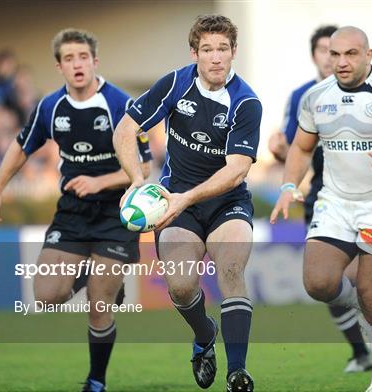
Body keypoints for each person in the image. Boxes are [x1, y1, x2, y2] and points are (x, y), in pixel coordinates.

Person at [270, 26, 372, 392]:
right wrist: (288, 185)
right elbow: (300, 148)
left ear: (369, 55)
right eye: (335, 54)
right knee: (318, 283)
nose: (342, 62)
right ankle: (362, 306)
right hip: (335, 202)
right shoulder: (315, 97)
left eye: (350, 54)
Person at [0, 28, 151, 392]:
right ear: (59, 66)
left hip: (116, 210)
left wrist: (102, 182)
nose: (77, 64)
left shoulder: (121, 104)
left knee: (98, 301)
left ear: (95, 61)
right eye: (69, 58)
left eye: (83, 57)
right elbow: (20, 147)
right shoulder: (50, 106)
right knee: (45, 295)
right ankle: (98, 276)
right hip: (72, 212)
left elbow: (145, 168)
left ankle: (96, 381)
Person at [113, 14, 261, 392]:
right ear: (194, 53)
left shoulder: (246, 102)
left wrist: (186, 197)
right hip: (174, 201)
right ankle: (204, 334)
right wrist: (136, 180)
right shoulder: (177, 83)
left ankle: (237, 372)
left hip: (227, 202)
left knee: (230, 270)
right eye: (207, 49)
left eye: (223, 49)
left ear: (233, 53)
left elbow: (237, 171)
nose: (216, 58)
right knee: (180, 286)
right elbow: (127, 129)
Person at [269, 25, 372, 373]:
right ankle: (360, 352)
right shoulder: (303, 95)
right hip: (322, 196)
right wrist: (280, 152)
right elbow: (292, 148)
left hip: (367, 196)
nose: (335, 58)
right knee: (325, 281)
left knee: (363, 277)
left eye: (342, 51)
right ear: (317, 56)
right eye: (327, 51)